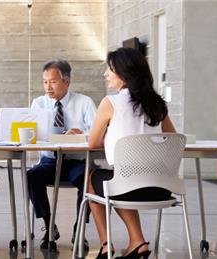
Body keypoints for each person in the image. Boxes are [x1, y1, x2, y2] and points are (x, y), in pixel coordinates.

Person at [86, 47, 176, 259]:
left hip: (127, 187)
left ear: (124, 74)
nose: (106, 74)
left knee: (92, 178)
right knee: (122, 180)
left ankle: (106, 245)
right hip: (161, 188)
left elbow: (92, 143)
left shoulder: (111, 103)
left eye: (110, 70)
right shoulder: (157, 104)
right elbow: (172, 138)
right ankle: (137, 242)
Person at [26, 59, 97, 249]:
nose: (48, 87)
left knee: (88, 179)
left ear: (67, 81)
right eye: (45, 82)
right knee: (31, 176)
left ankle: (79, 228)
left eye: (53, 81)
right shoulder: (38, 103)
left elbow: (97, 134)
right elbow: (31, 135)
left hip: (78, 162)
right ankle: (49, 226)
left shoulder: (84, 102)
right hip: (50, 161)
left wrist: (81, 134)